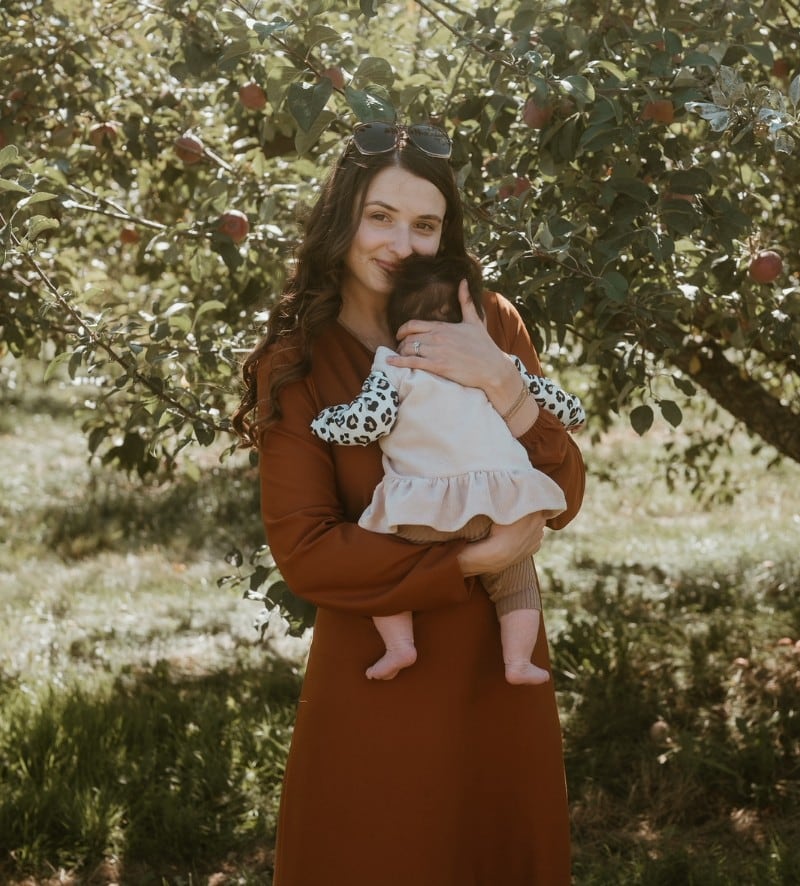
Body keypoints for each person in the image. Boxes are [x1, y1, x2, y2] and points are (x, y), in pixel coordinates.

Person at [233, 121, 586, 886]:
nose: (401, 243)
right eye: (380, 216)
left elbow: (564, 492)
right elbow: (308, 554)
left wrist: (500, 381)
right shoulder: (300, 362)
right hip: (379, 670)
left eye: (424, 224)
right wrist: (474, 560)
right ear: (343, 221)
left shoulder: (490, 322)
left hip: (501, 668)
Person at [310, 252, 586, 685]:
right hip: (500, 504)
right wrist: (574, 413)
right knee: (516, 578)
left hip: (423, 512)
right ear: (472, 316)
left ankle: (400, 645)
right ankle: (517, 660)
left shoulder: (392, 366)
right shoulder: (495, 361)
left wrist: (324, 423)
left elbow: (370, 421)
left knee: (382, 564)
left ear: (398, 323)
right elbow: (555, 403)